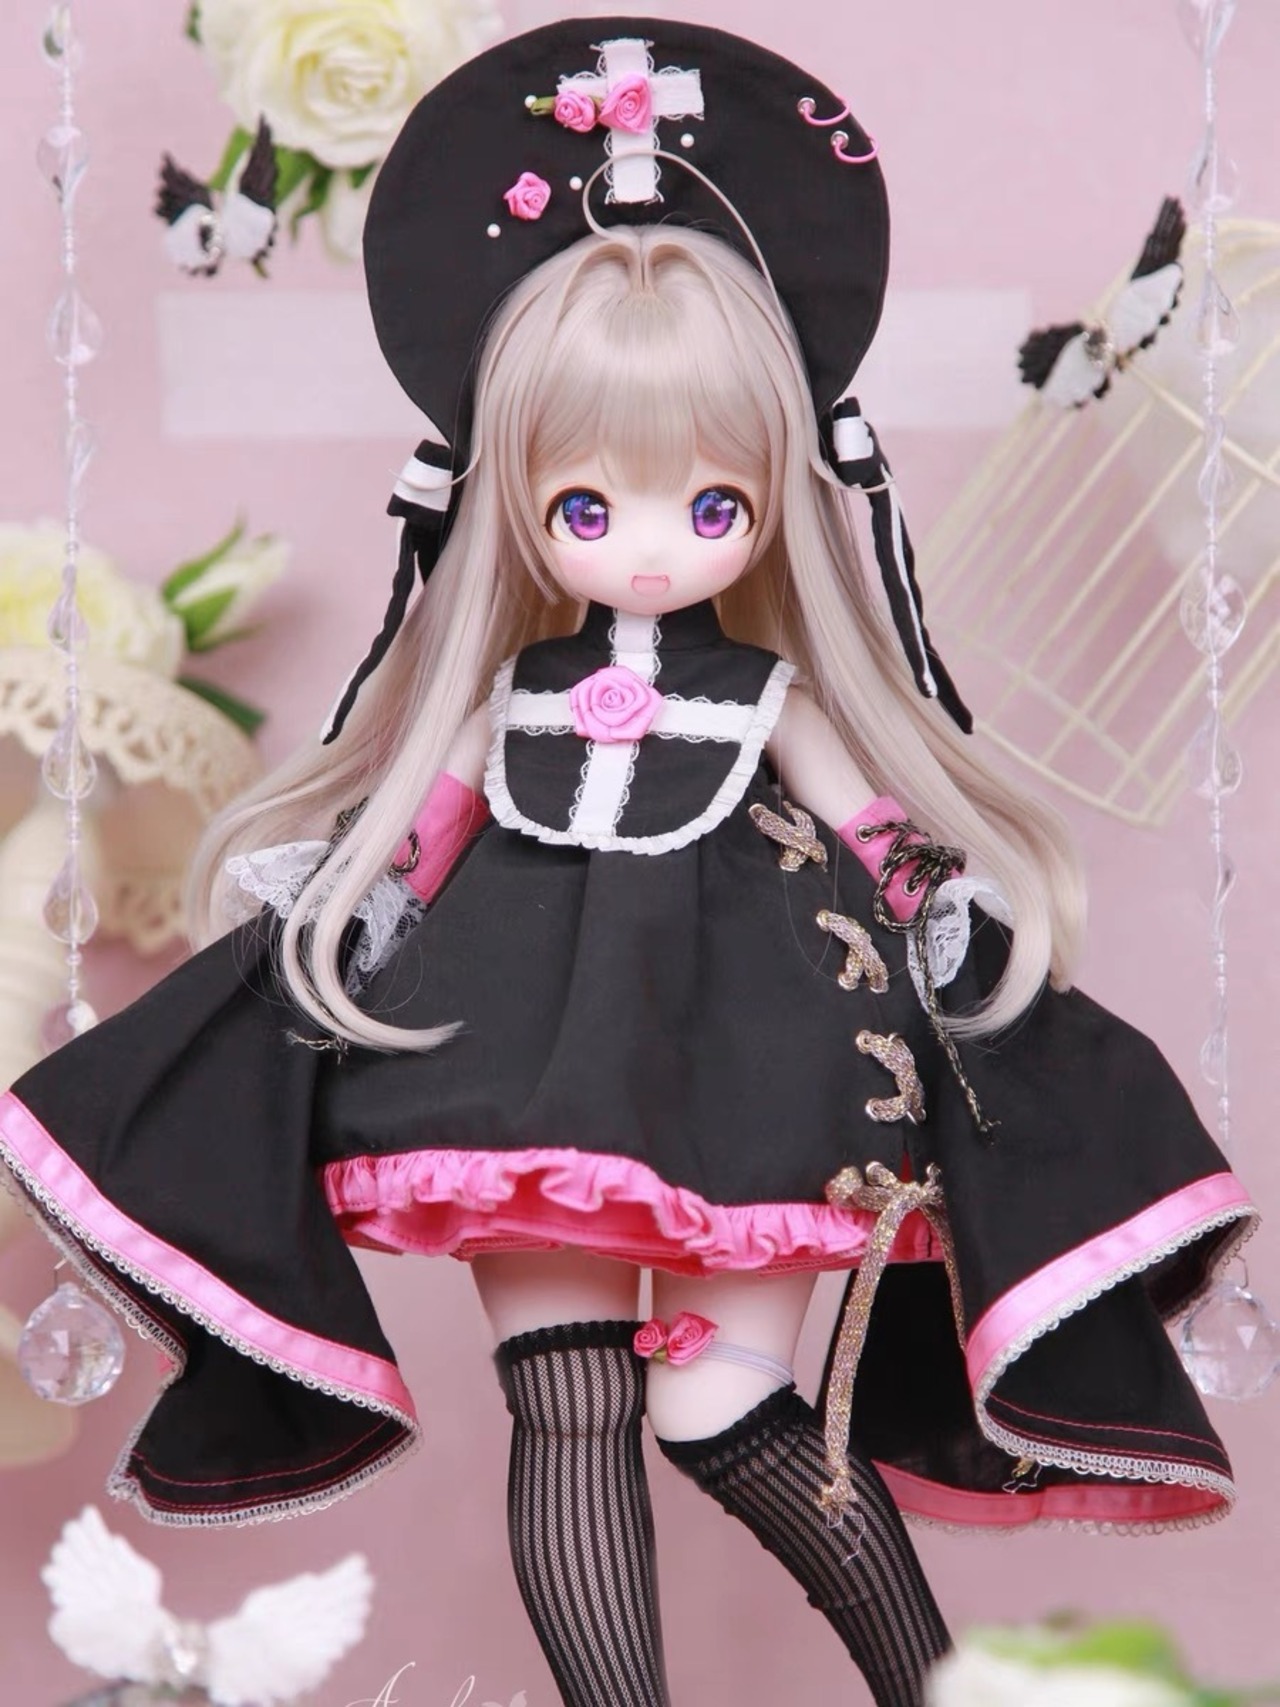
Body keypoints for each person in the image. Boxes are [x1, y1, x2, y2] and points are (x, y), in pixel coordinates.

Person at [0, 19, 1256, 1707]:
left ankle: (945, 1690)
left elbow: (880, 832)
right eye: (587, 508)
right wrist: (347, 918)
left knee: (722, 1405)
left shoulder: (775, 696)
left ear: (774, 497)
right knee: (568, 1400)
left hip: (762, 1059)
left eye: (712, 506)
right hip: (526, 1065)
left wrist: (949, 921)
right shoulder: (500, 700)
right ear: (514, 500)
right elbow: (415, 836)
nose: (652, 549)